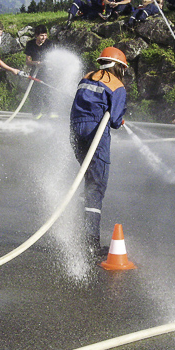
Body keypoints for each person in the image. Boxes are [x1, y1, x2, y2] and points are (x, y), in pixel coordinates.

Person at [70, 47, 127, 256]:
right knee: (96, 185)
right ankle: (90, 243)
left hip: (76, 129)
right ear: (118, 67)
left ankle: (81, 232)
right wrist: (120, 119)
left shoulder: (86, 77)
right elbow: (113, 120)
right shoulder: (117, 85)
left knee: (88, 181)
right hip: (96, 130)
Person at [24, 24, 56, 118]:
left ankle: (50, 112)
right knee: (35, 93)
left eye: (45, 35)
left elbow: (53, 59)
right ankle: (36, 114)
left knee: (47, 91)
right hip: (35, 72)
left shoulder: (49, 44)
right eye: (41, 35)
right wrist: (36, 63)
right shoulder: (30, 44)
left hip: (47, 72)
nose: (44, 38)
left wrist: (47, 62)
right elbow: (28, 61)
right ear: (36, 36)